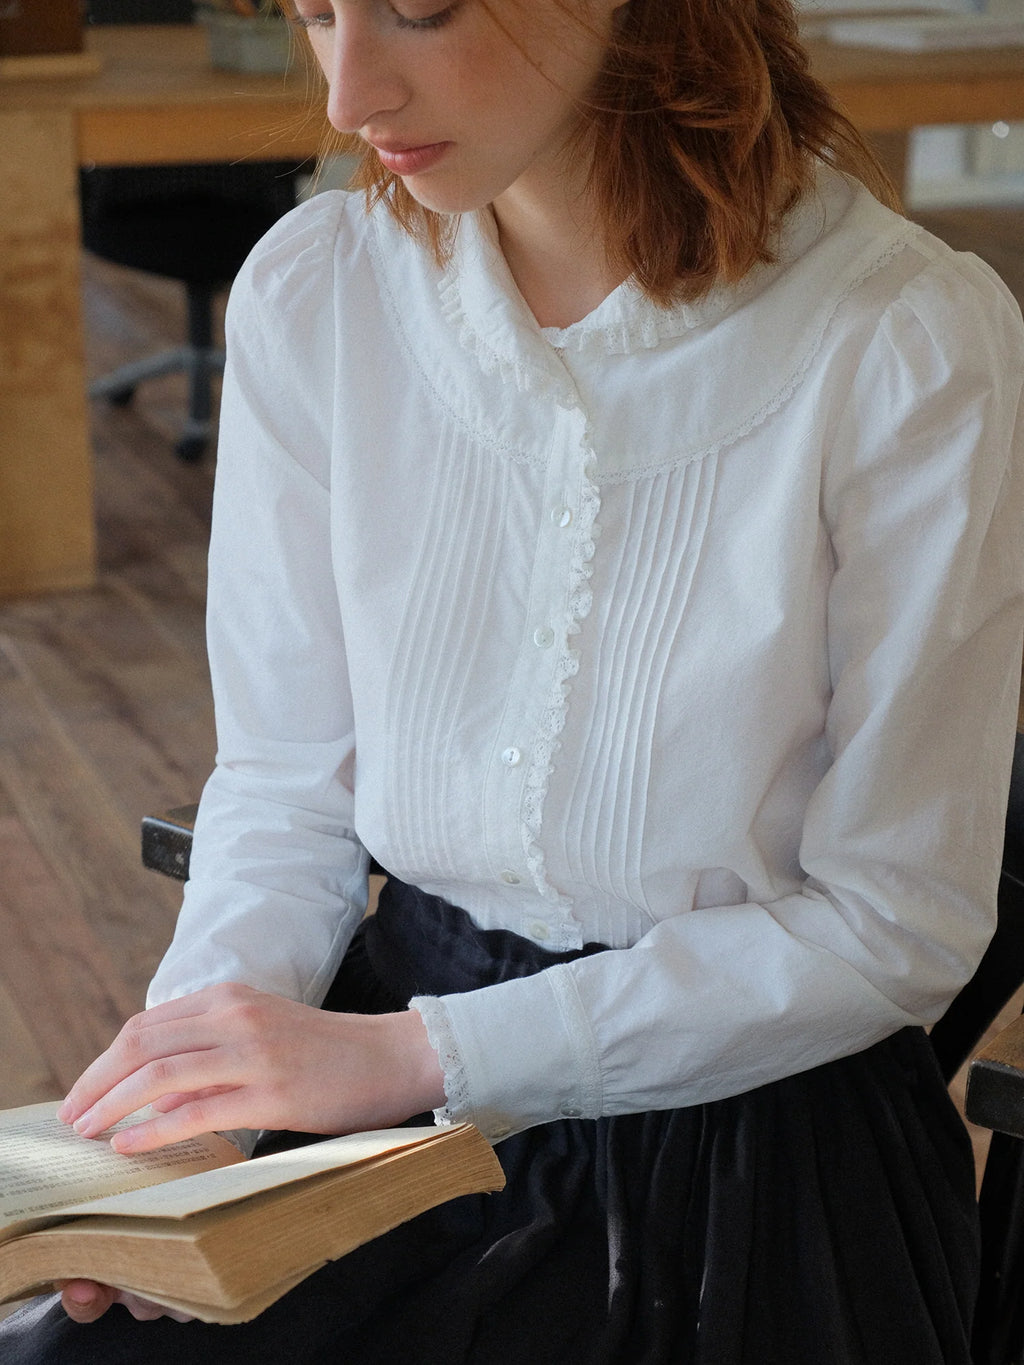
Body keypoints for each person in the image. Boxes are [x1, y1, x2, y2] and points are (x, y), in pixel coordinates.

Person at [4, 0, 1024, 1359]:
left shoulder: (904, 345)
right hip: (377, 1094)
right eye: (316, 12)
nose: (348, 93)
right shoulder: (319, 295)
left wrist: (425, 1059)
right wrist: (198, 1098)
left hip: (749, 1167)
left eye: (421, 8)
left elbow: (894, 924)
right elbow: (287, 792)